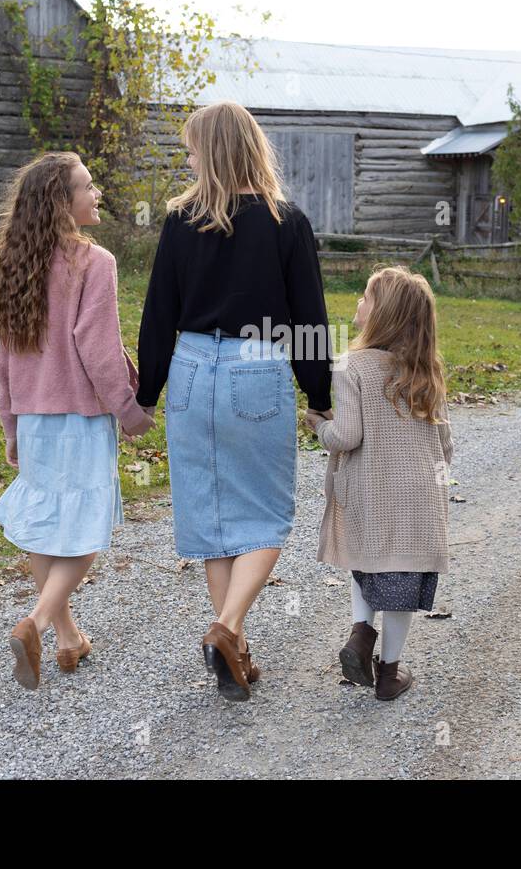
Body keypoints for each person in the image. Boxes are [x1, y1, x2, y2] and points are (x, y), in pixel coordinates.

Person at [136, 101, 333, 702]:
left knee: (212, 517)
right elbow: (309, 321)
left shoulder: (179, 222)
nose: (188, 157)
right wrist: (319, 394)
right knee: (267, 515)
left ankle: (235, 647)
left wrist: (146, 394)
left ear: (214, 151)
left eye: (193, 147)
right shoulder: (286, 222)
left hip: (193, 369)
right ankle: (226, 628)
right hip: (256, 367)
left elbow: (158, 317)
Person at [0, 151, 155, 690]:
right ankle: (34, 622)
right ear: (62, 203)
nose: (96, 192)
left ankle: (66, 637)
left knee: (46, 523)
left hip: (35, 418)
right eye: (87, 186)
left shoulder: (15, 263)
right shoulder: (93, 261)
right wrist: (130, 412)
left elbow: (5, 358)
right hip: (80, 417)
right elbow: (98, 348)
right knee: (84, 527)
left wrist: (11, 426)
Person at [306, 266, 453, 701]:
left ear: (382, 313)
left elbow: (348, 435)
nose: (358, 303)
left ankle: (359, 634)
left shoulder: (352, 366)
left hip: (370, 490)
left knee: (365, 560)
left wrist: (319, 427)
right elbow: (446, 442)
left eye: (365, 297)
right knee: (402, 579)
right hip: (420, 495)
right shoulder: (427, 371)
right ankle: (389, 672)